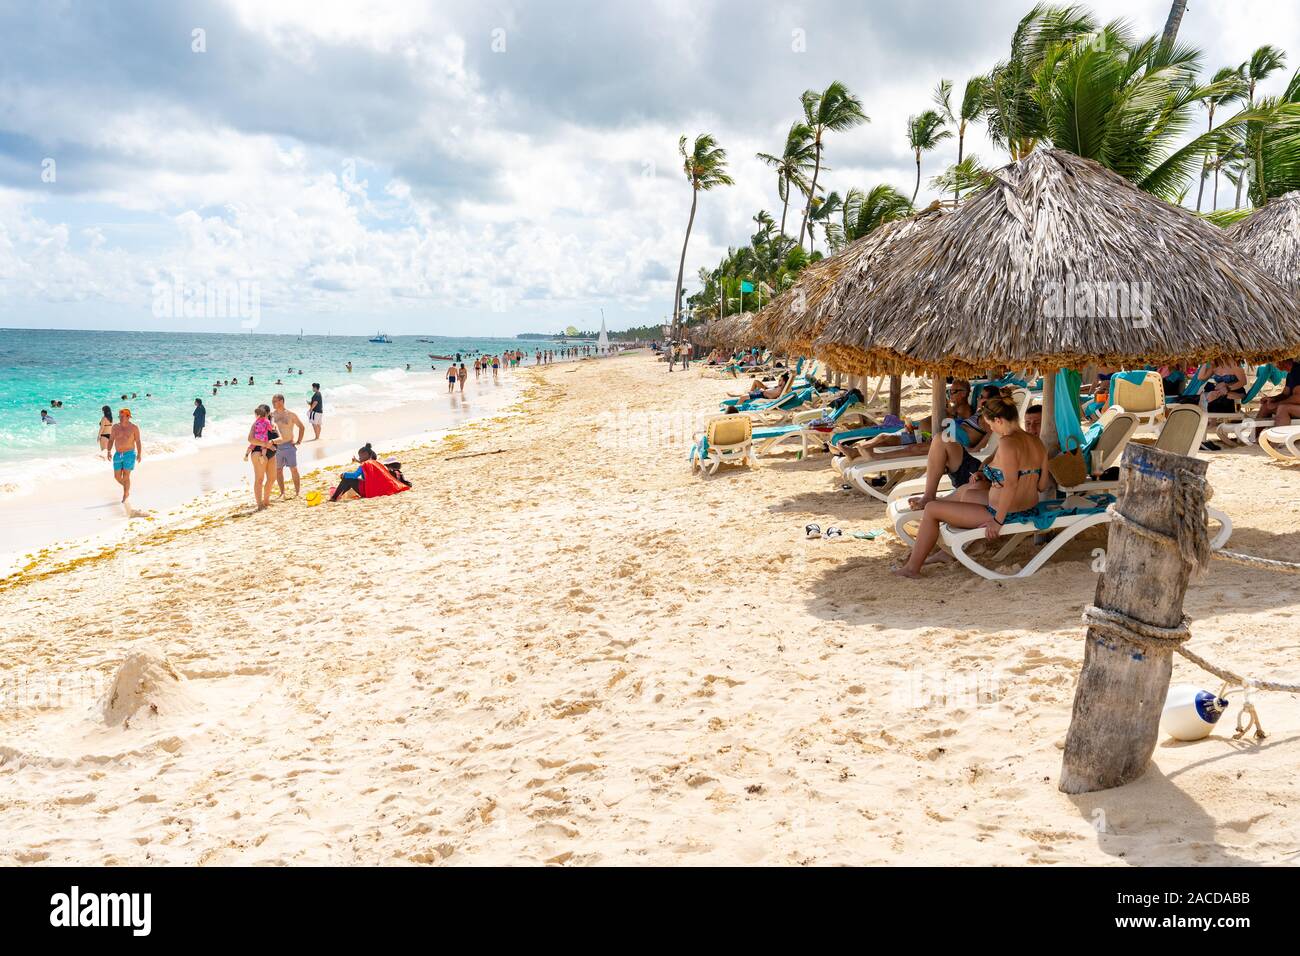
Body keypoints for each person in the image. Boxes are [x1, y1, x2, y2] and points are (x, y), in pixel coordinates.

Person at [895, 393, 1049, 578]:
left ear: (999, 420)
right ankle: (942, 552)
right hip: (1028, 509)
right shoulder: (1037, 443)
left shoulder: (1008, 443)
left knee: (932, 509)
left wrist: (998, 521)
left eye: (990, 425)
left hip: (1003, 513)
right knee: (966, 493)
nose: (991, 429)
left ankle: (912, 569)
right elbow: (1041, 485)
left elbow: (1010, 485)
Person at [329, 443, 412, 501]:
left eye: (361, 456)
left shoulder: (365, 464)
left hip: (368, 490)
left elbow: (355, 475)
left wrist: (344, 474)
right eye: (359, 456)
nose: (360, 458)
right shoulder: (375, 463)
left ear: (367, 455)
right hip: (373, 488)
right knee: (349, 480)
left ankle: (334, 497)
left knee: (347, 479)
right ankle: (338, 495)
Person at [270, 393, 305, 499]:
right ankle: (282, 493)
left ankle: (298, 492)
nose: (273, 403)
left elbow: (302, 427)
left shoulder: (291, 415)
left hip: (289, 445)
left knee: (293, 469)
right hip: (276, 447)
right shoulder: (271, 415)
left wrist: (298, 441)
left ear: (281, 401)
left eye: (274, 401)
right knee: (278, 470)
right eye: (272, 402)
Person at [243, 404, 276, 510]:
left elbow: (280, 437)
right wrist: (265, 445)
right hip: (258, 452)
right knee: (260, 479)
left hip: (272, 453)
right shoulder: (255, 424)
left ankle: (266, 501)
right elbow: (250, 439)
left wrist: (273, 442)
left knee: (272, 478)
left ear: (267, 413)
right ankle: (259, 504)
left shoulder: (272, 423)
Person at [109, 408, 142, 503]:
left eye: (122, 416)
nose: (120, 418)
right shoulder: (115, 427)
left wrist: (139, 453)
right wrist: (108, 451)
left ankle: (126, 493)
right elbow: (111, 440)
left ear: (128, 417)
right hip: (118, 454)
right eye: (119, 416)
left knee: (126, 476)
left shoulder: (134, 428)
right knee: (117, 477)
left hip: (129, 454)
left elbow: (138, 441)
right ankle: (127, 487)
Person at [1260, 358, 1300, 426]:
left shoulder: (1298, 371)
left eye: (1274, 362)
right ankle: (1255, 435)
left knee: (1283, 408)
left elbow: (1298, 397)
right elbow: (1285, 394)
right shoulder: (1290, 374)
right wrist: (1273, 399)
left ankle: (1280, 436)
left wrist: (1277, 404)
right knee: (1266, 406)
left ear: (1282, 360)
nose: (1274, 365)